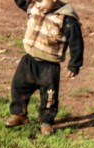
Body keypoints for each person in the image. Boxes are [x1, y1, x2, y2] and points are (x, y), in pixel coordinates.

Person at [5, 0, 84, 135]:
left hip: (49, 66)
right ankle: (19, 114)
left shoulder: (67, 18)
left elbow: (76, 41)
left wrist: (74, 64)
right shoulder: (35, 7)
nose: (38, 4)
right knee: (18, 87)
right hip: (29, 61)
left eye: (41, 0)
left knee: (49, 97)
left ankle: (46, 122)